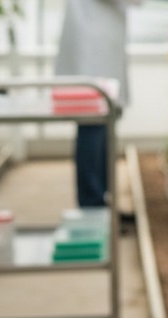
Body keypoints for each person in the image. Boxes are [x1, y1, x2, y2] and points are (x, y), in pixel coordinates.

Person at [55, 0, 133, 222]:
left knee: (103, 127)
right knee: (93, 124)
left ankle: (100, 203)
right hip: (93, 41)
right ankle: (92, 208)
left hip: (100, 35)